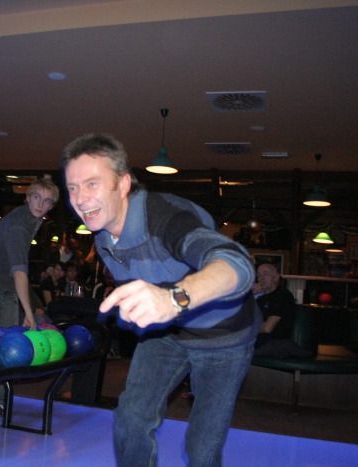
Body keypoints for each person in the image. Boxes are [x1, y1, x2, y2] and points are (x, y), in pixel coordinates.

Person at [61, 133, 259, 467]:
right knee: (130, 419)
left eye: (92, 184)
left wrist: (173, 298)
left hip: (224, 338)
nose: (80, 198)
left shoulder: (167, 217)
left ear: (123, 184)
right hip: (166, 333)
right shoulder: (102, 236)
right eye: (72, 188)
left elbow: (236, 266)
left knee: (202, 448)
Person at [0, 177, 59, 329]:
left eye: (47, 200)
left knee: (11, 336)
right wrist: (29, 312)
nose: (41, 204)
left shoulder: (31, 220)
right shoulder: (19, 225)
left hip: (6, 284)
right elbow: (20, 272)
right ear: (28, 198)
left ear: (51, 206)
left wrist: (33, 307)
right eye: (37, 197)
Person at [253, 262, 310, 357]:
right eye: (258, 275)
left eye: (265, 274)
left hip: (277, 343)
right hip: (260, 341)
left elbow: (267, 328)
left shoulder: (282, 296)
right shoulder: (260, 299)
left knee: (237, 350)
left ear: (276, 277)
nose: (261, 278)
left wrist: (246, 329)